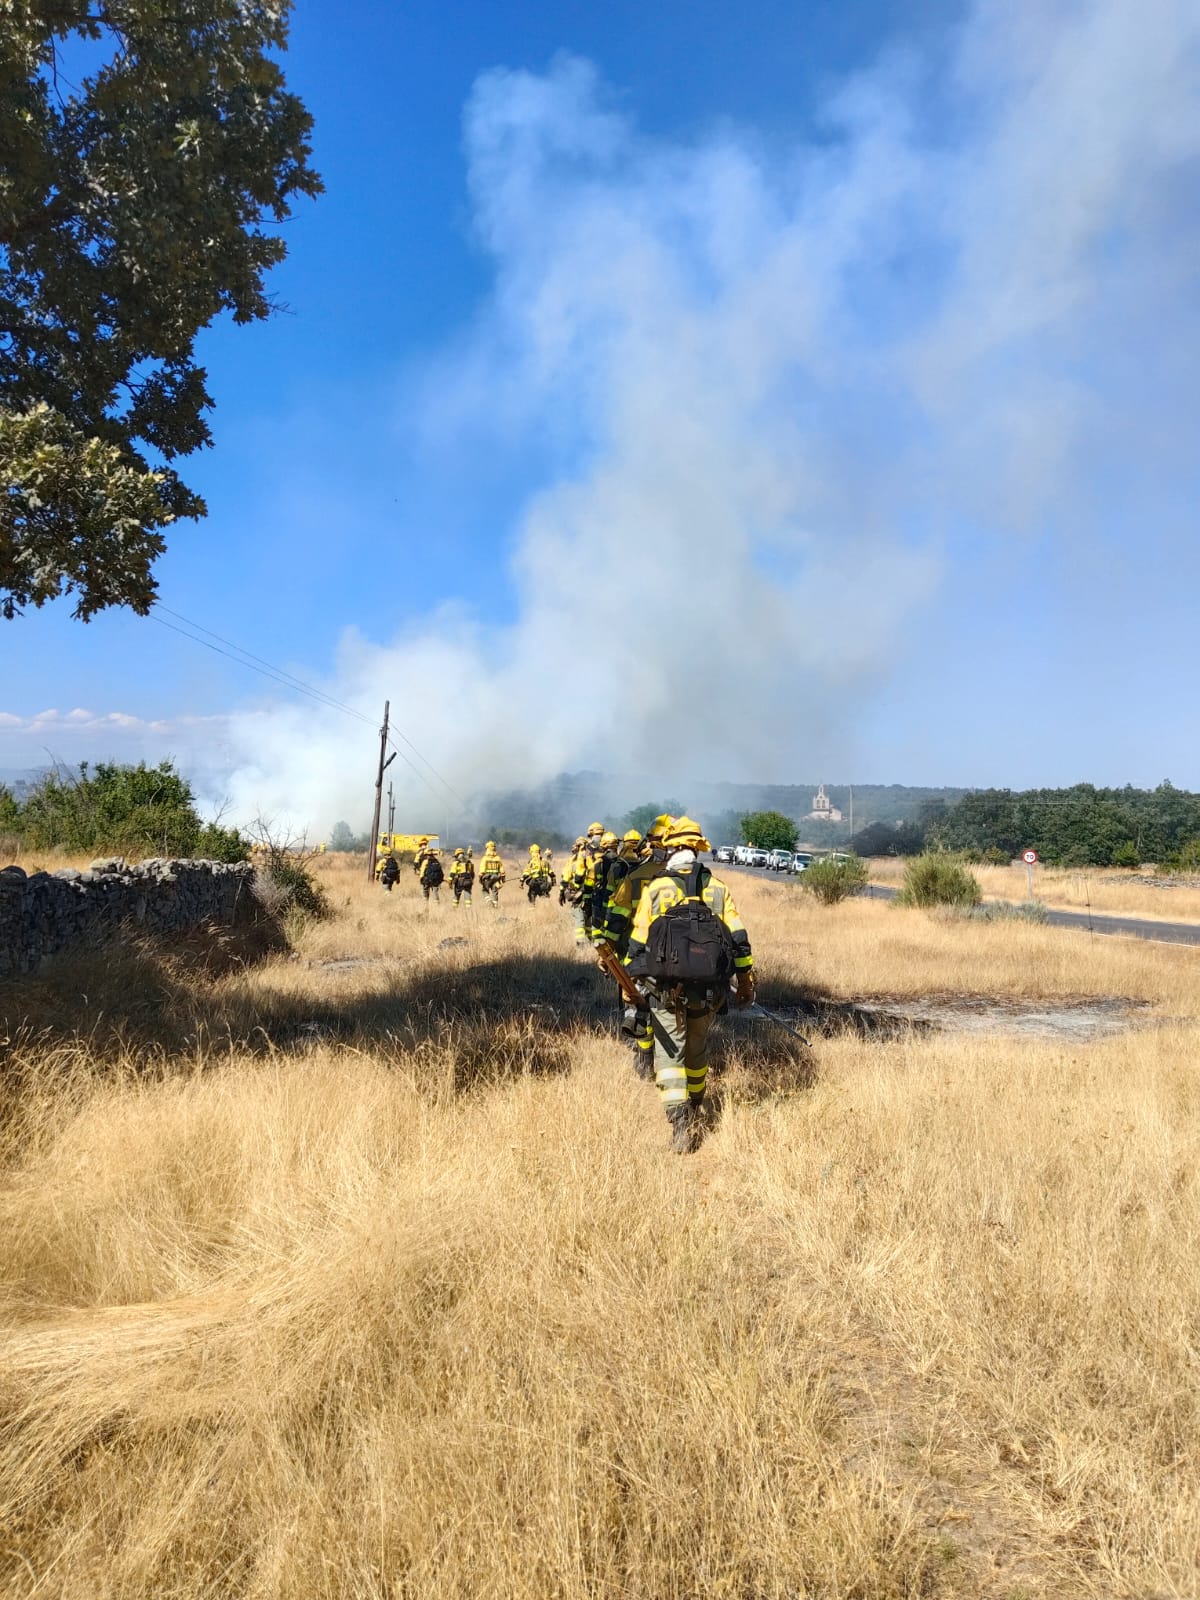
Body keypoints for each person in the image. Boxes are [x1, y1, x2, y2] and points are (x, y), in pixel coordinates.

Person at [616, 816, 754, 1154]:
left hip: (666, 992)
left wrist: (630, 991)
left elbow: (636, 944)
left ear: (672, 847)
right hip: (709, 992)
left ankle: (680, 1125)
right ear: (698, 849)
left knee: (669, 1056)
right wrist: (746, 982)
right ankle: (696, 1105)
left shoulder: (657, 888)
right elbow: (739, 941)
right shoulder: (718, 889)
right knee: (697, 1052)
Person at [594, 815, 673, 1078]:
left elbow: (616, 917)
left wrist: (607, 952)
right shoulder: (695, 880)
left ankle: (645, 1057)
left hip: (638, 952)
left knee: (639, 1005)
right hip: (679, 958)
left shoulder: (636, 877)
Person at [479, 840, 506, 907]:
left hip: (487, 878)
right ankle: (495, 905)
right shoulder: (498, 858)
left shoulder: (485, 858)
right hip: (496, 878)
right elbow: (502, 871)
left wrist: (480, 879)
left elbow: (482, 871)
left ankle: (489, 901)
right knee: (495, 891)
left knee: (484, 890)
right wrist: (503, 880)